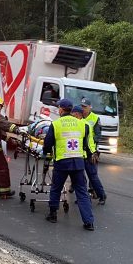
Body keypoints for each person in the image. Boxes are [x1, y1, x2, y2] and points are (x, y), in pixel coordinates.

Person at [42, 98, 95, 230]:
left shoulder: (56, 124)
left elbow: (48, 143)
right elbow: (86, 145)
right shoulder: (82, 124)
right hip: (78, 162)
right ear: (71, 110)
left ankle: (53, 214)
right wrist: (88, 157)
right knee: (82, 192)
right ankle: (89, 222)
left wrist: (47, 154)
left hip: (62, 162)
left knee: (56, 188)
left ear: (61, 109)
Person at [81, 98, 107, 205]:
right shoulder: (79, 117)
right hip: (80, 151)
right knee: (80, 177)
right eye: (82, 106)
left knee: (93, 176)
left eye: (85, 107)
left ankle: (101, 195)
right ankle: (82, 197)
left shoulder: (95, 118)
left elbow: (98, 135)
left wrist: (91, 144)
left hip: (91, 152)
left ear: (90, 107)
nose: (83, 109)